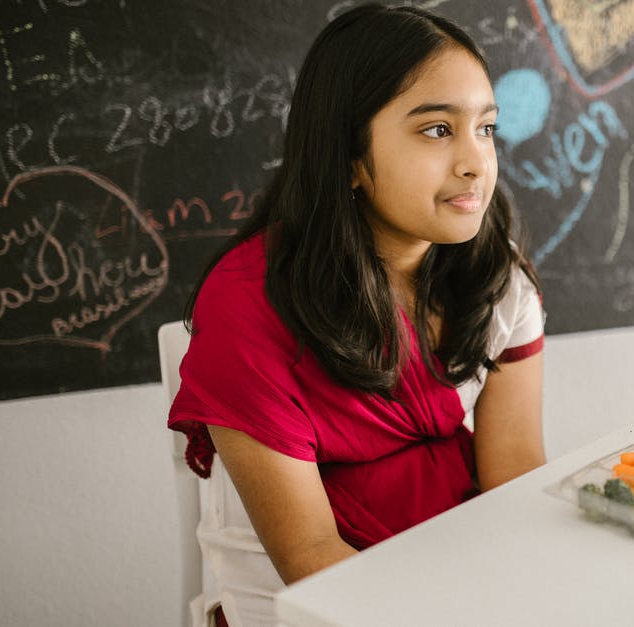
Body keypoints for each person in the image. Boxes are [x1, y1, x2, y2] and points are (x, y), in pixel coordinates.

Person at [167, 4, 546, 625]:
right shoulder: (250, 307)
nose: (476, 162)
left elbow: (514, 477)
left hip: (465, 572)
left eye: (485, 129)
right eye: (436, 130)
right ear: (347, 155)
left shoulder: (493, 275)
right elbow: (311, 557)